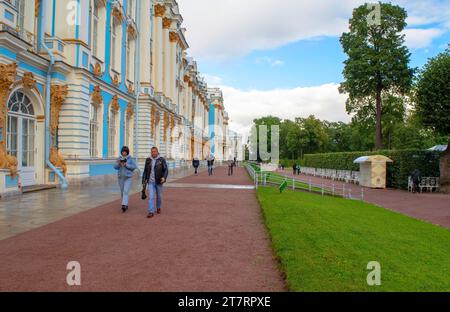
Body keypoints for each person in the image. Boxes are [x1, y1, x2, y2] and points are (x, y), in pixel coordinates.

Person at [142, 147, 169, 218]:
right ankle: (151, 211)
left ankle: (158, 207)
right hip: (150, 182)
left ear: (157, 152)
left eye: (155, 151)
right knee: (151, 196)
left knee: (159, 196)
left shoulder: (161, 159)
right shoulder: (148, 160)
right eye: (152, 151)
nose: (153, 153)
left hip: (159, 181)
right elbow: (145, 171)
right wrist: (144, 180)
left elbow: (166, 169)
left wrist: (164, 177)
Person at [114, 146, 137, 213]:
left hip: (128, 177)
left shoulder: (130, 159)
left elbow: (134, 167)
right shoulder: (119, 158)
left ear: (127, 152)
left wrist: (126, 165)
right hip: (121, 177)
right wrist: (118, 163)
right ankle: (125, 203)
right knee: (122, 191)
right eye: (123, 151)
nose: (124, 153)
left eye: (125, 151)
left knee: (126, 191)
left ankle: (124, 205)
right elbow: (115, 167)